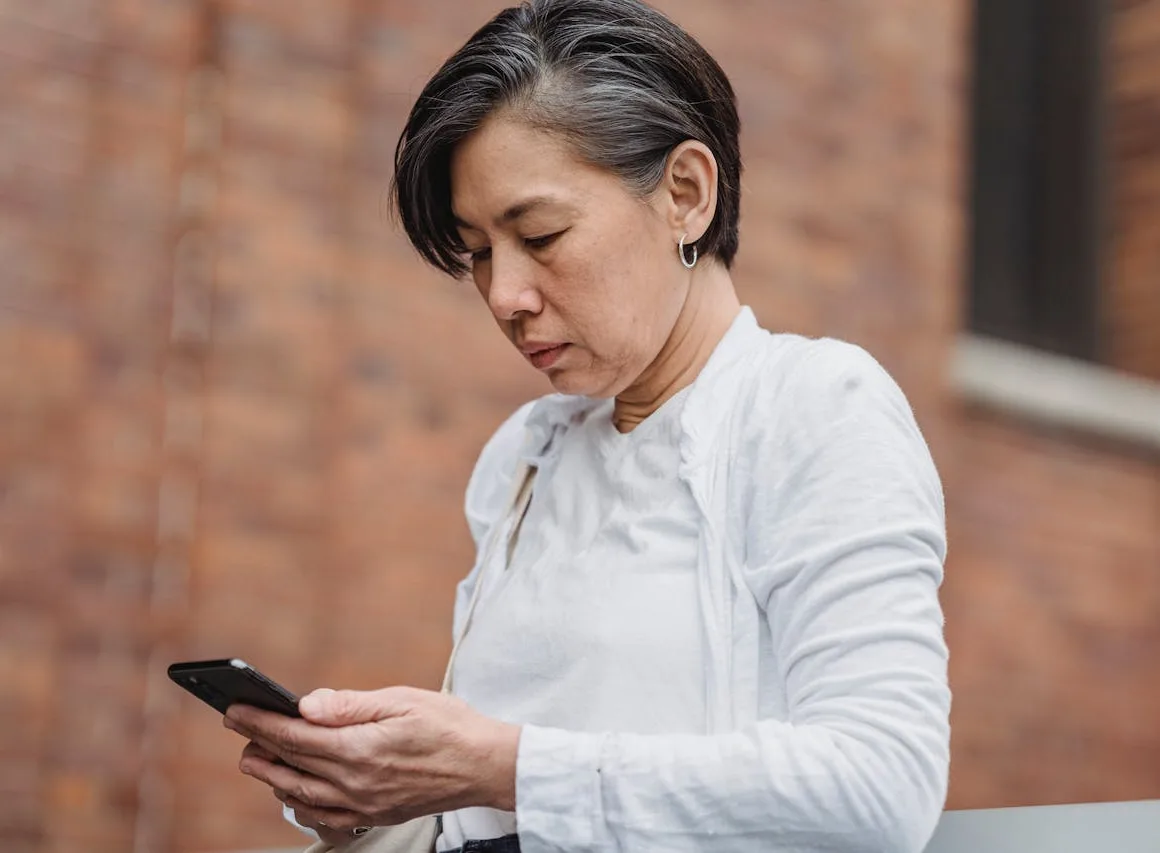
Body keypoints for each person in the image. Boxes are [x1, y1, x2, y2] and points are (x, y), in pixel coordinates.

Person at [222, 1, 952, 851]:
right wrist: (378, 790)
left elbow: (882, 782)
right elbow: (508, 806)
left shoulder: (811, 407)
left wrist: (500, 765)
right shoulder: (526, 455)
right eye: (478, 251)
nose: (505, 295)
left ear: (686, 194)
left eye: (541, 234)